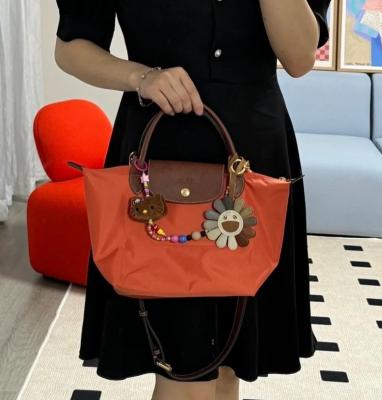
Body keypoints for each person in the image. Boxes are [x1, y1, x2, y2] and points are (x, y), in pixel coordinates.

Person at [54, 1, 331, 399]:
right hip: (159, 163)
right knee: (182, 373)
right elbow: (70, 47)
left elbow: (299, 58)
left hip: (253, 162)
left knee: (228, 367)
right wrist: (142, 76)